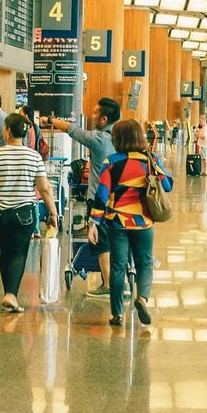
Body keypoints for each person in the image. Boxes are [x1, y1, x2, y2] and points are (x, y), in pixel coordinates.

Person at [90, 118, 170, 327]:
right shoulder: (150, 159)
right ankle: (142, 299)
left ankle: (117, 314)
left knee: (118, 266)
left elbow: (102, 195)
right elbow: (167, 185)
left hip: (116, 221)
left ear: (117, 139)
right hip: (143, 222)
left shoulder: (112, 161)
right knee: (144, 263)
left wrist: (94, 223)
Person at [0, 113, 57, 313]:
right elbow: (45, 188)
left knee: (5, 251)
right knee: (19, 253)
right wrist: (53, 213)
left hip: (1, 212)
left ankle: (9, 292)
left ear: (7, 131)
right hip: (25, 213)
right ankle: (11, 294)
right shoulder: (34, 156)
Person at [59, 97, 120, 295]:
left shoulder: (98, 138)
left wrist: (49, 121)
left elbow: (72, 130)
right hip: (122, 198)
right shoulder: (123, 137)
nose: (91, 115)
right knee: (119, 239)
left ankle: (108, 285)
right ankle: (121, 280)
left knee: (102, 241)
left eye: (94, 113)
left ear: (103, 119)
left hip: (99, 198)